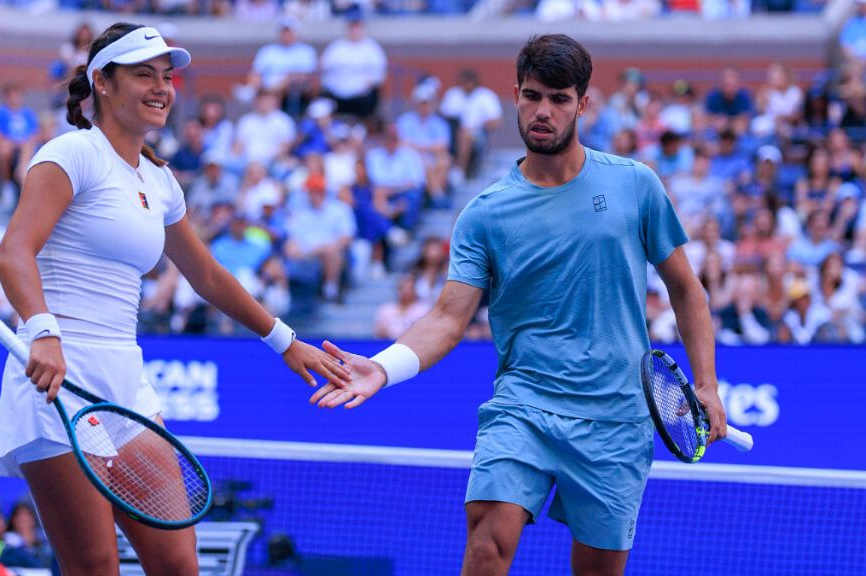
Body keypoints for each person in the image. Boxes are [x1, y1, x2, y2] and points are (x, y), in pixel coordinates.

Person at [311, 34, 728, 576]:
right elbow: (446, 317)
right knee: (487, 546)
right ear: (515, 95)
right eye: (533, 96)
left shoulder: (635, 185)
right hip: (523, 407)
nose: (543, 111)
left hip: (616, 419)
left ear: (582, 104)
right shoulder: (485, 214)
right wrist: (384, 368)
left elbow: (686, 290)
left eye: (559, 98)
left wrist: (707, 384)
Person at [0, 23, 349, 576]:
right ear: (101, 84)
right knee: (94, 568)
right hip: (55, 377)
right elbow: (14, 252)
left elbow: (204, 272)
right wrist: (42, 331)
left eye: (166, 76)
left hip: (125, 380)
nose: (161, 88)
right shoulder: (69, 154)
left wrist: (285, 340)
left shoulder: (159, 179)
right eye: (143, 75)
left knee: (180, 564)